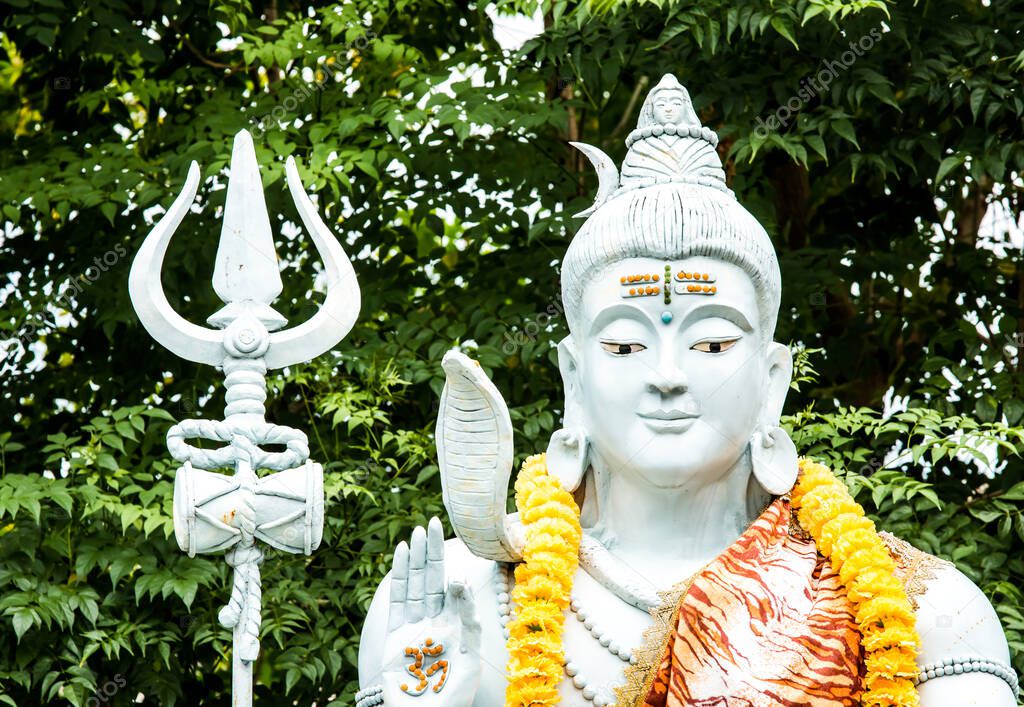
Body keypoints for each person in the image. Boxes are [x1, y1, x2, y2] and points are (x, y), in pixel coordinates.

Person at [355, 74, 1019, 707]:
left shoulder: (920, 611)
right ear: (573, 381)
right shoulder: (451, 603)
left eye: (711, 343)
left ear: (771, 382)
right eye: (624, 344)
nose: (667, 373)